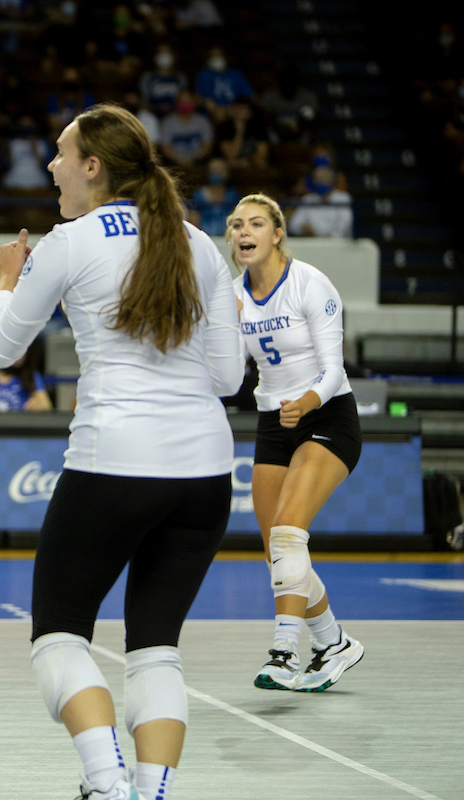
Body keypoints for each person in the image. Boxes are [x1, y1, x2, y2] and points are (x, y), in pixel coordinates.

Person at [0, 104, 243, 800]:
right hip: (205, 474)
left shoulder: (70, 242)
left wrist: (8, 281)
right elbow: (228, 378)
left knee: (60, 639)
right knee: (155, 647)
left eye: (60, 153)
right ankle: (152, 791)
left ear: (93, 167)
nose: (50, 165)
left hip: (115, 463)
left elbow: (0, 352)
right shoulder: (199, 243)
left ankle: (107, 783)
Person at [227, 193, 364, 693]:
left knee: (287, 533)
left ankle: (285, 653)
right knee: (278, 551)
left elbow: (334, 367)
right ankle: (333, 642)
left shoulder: (310, 283)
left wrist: (306, 401)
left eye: (256, 223)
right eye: (238, 224)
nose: (245, 231)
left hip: (326, 414)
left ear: (276, 233)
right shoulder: (233, 295)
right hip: (273, 421)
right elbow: (221, 366)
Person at [288, 166, 353, 238]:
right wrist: (303, 228)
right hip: (313, 243)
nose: (321, 183)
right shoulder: (307, 199)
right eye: (318, 181)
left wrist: (328, 239)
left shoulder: (343, 199)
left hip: (338, 243)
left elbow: (345, 224)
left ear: (331, 182)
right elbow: (293, 225)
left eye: (324, 181)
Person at [159, 91, 213, 168]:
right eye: (182, 102)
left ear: (194, 103)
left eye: (188, 102)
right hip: (173, 163)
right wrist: (180, 160)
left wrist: (192, 159)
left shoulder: (203, 121)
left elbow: (207, 146)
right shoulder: (168, 122)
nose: (185, 104)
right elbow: (165, 147)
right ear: (177, 103)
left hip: (198, 161)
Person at [187, 157, 239, 236]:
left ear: (226, 172)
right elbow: (193, 219)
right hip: (204, 238)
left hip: (226, 239)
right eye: (213, 170)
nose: (216, 173)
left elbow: (237, 219)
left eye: (219, 170)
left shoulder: (233, 195)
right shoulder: (199, 195)